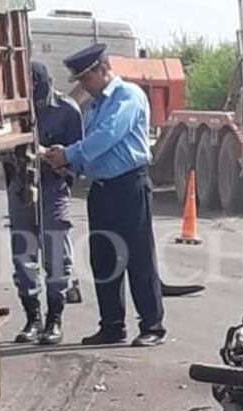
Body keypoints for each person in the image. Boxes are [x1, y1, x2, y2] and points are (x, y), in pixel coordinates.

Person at [42, 43, 167, 348]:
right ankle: (112, 325)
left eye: (86, 78)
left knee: (138, 258)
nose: (84, 86)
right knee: (105, 259)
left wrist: (70, 154)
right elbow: (95, 151)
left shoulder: (128, 97)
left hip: (129, 187)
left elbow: (108, 136)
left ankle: (152, 325)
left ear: (102, 69)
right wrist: (70, 164)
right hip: (102, 189)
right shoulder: (96, 105)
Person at [7, 61, 82, 346]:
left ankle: (55, 319)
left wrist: (53, 158)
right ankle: (32, 318)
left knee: (55, 255)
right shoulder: (13, 108)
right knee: (23, 255)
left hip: (52, 186)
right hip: (21, 186)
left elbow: (76, 160)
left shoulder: (66, 110)